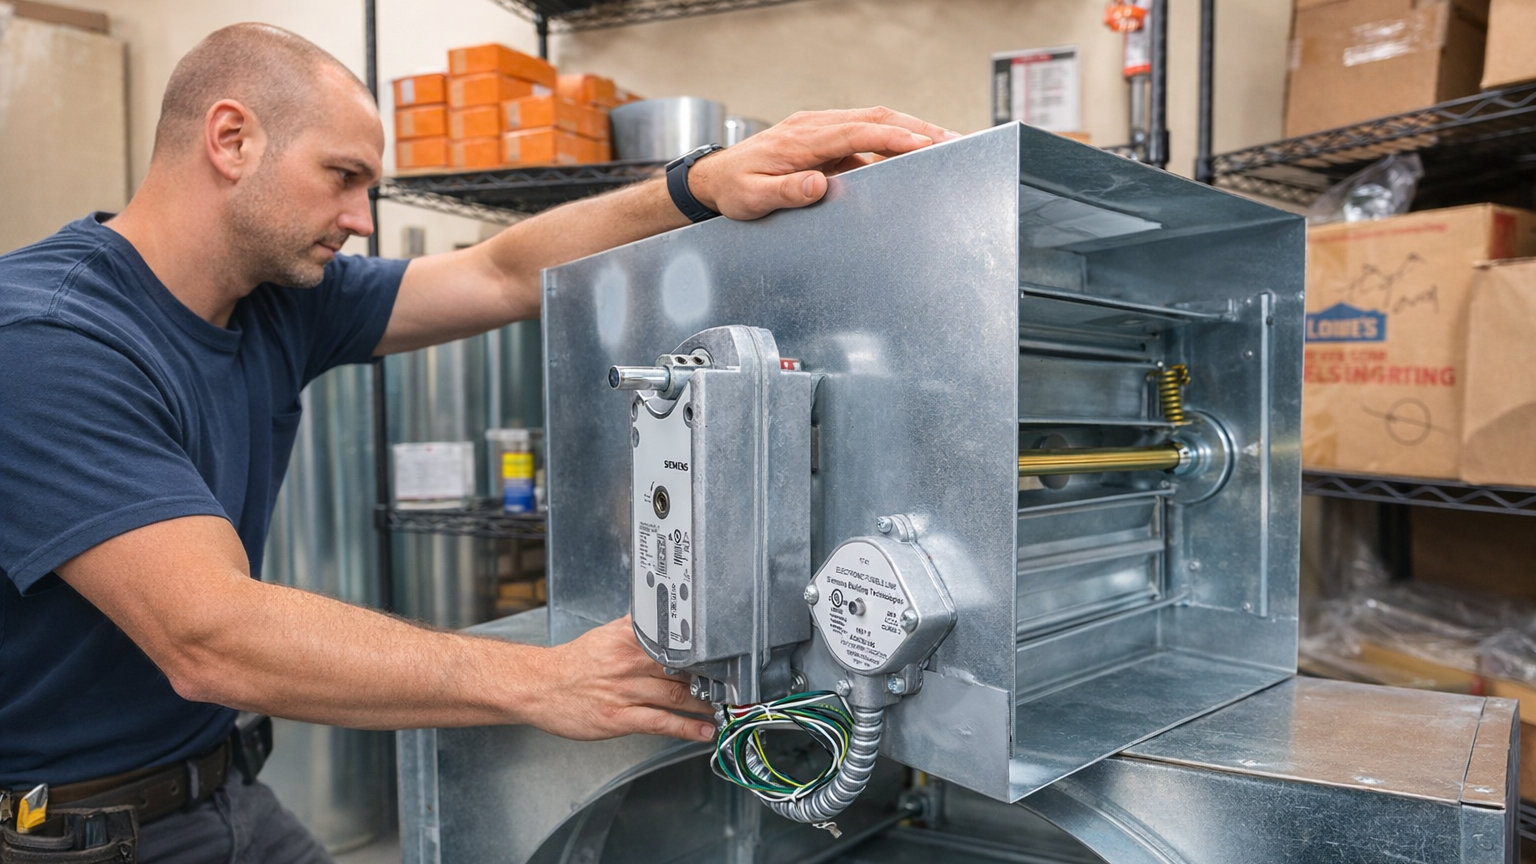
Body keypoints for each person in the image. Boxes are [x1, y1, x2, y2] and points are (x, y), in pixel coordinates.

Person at [0, 21, 955, 864]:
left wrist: (699, 186)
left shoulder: (276, 301)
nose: (359, 220)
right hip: (73, 830)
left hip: (223, 789)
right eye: (343, 178)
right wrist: (540, 680)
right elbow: (208, 636)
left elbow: (499, 272)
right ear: (231, 138)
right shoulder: (50, 341)